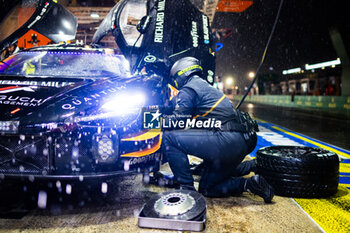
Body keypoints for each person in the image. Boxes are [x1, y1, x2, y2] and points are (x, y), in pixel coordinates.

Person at [162, 57, 274, 203]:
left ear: (181, 74)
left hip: (226, 141)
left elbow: (178, 121)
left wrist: (152, 121)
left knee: (170, 137)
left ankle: (187, 190)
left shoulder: (188, 89)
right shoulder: (204, 87)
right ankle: (250, 183)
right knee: (208, 187)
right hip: (241, 142)